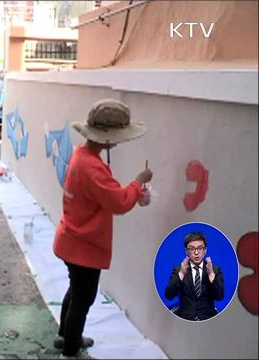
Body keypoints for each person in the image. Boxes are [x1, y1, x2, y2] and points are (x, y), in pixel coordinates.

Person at [52, 99, 152, 359]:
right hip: (84, 247)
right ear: (109, 138)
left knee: (75, 292)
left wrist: (130, 190)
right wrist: (138, 182)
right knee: (83, 299)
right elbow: (118, 202)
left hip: (70, 240)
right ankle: (72, 349)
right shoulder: (93, 167)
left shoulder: (81, 155)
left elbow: (108, 195)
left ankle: (65, 335)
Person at [165, 231, 224, 321]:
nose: (196, 252)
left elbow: (219, 296)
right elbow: (169, 295)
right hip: (184, 319)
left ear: (205, 250)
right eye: (192, 249)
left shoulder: (215, 270)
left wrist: (211, 275)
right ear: (186, 251)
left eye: (200, 248)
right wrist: (181, 274)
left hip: (209, 319)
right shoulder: (178, 269)